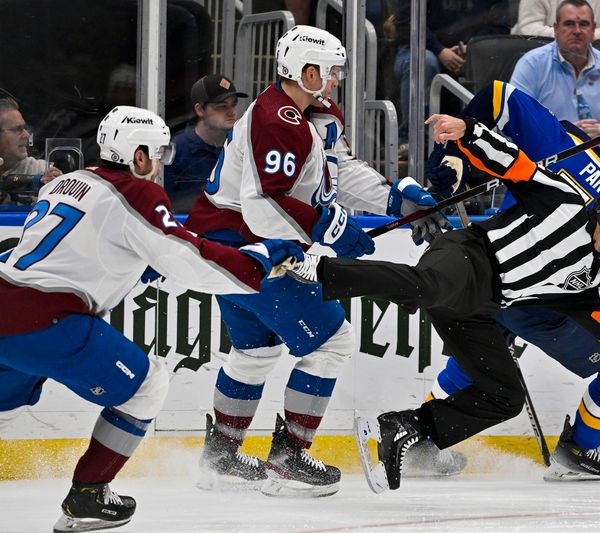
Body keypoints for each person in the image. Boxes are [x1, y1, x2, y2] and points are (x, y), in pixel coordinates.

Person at [287, 114, 600, 492]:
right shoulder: (566, 197)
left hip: (485, 306)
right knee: (428, 285)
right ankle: (317, 272)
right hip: (468, 255)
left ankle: (408, 429)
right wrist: (467, 132)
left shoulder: (592, 283)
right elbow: (515, 164)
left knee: (505, 396)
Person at [0, 105, 303, 532]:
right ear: (137, 156)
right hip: (48, 317)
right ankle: (88, 494)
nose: (159, 163)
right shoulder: (137, 192)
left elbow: (80, 247)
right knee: (146, 385)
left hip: (6, 304)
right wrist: (257, 261)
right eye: (156, 153)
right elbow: (188, 259)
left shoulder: (69, 182)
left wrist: (140, 260)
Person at [184, 25, 442, 497]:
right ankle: (289, 460)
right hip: (253, 249)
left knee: (255, 351)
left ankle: (222, 458)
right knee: (331, 342)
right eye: (331, 71)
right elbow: (265, 202)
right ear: (305, 71)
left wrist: (394, 199)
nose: (337, 79)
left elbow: (337, 171)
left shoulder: (313, 113)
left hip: (227, 249)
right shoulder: (277, 120)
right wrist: (330, 227)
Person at [411, 80, 600, 480]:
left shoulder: (565, 146)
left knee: (474, 362)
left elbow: (499, 96)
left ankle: (420, 445)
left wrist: (446, 160)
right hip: (546, 303)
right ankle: (580, 451)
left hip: (493, 280)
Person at [391, 0, 512, 147]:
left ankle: (482, 143)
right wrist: (440, 50)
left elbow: (500, 24)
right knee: (424, 62)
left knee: (492, 58)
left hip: (470, 50)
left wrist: (472, 48)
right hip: (421, 48)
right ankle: (410, 141)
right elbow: (405, 23)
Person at [510, 0, 600, 138]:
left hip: (597, 153)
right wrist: (561, 132)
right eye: (569, 24)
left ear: (593, 29)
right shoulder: (531, 64)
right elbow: (515, 120)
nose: (577, 31)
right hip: (546, 152)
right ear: (556, 29)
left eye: (584, 24)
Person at [164, 74, 248, 213]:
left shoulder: (242, 147)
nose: (231, 112)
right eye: (222, 107)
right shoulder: (177, 150)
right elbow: (163, 205)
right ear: (200, 110)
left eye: (234, 104)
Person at [0, 98, 62, 205]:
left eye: (25, 128)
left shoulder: (42, 171)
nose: (27, 135)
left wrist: (60, 186)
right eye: (17, 129)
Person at [511, 0, 600, 40]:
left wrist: (580, 36)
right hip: (539, 52)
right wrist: (565, 35)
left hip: (592, 54)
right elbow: (527, 28)